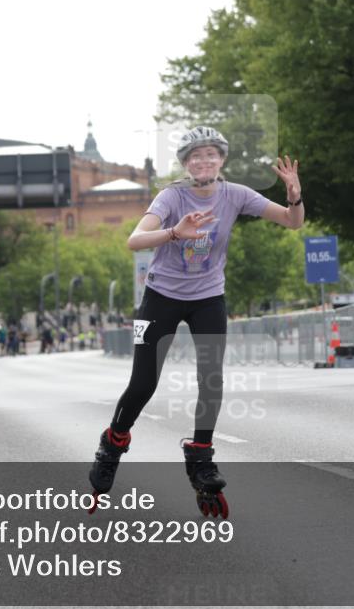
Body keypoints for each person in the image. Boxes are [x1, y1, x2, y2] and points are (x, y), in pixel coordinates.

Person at [86, 125, 305, 518]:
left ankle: (201, 456)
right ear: (186, 164)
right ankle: (113, 443)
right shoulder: (171, 196)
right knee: (142, 383)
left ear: (221, 160)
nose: (203, 162)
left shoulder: (236, 194)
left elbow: (293, 222)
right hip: (160, 298)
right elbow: (134, 240)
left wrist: (295, 197)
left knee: (211, 379)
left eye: (211, 155)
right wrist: (174, 232)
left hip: (208, 298)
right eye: (195, 157)